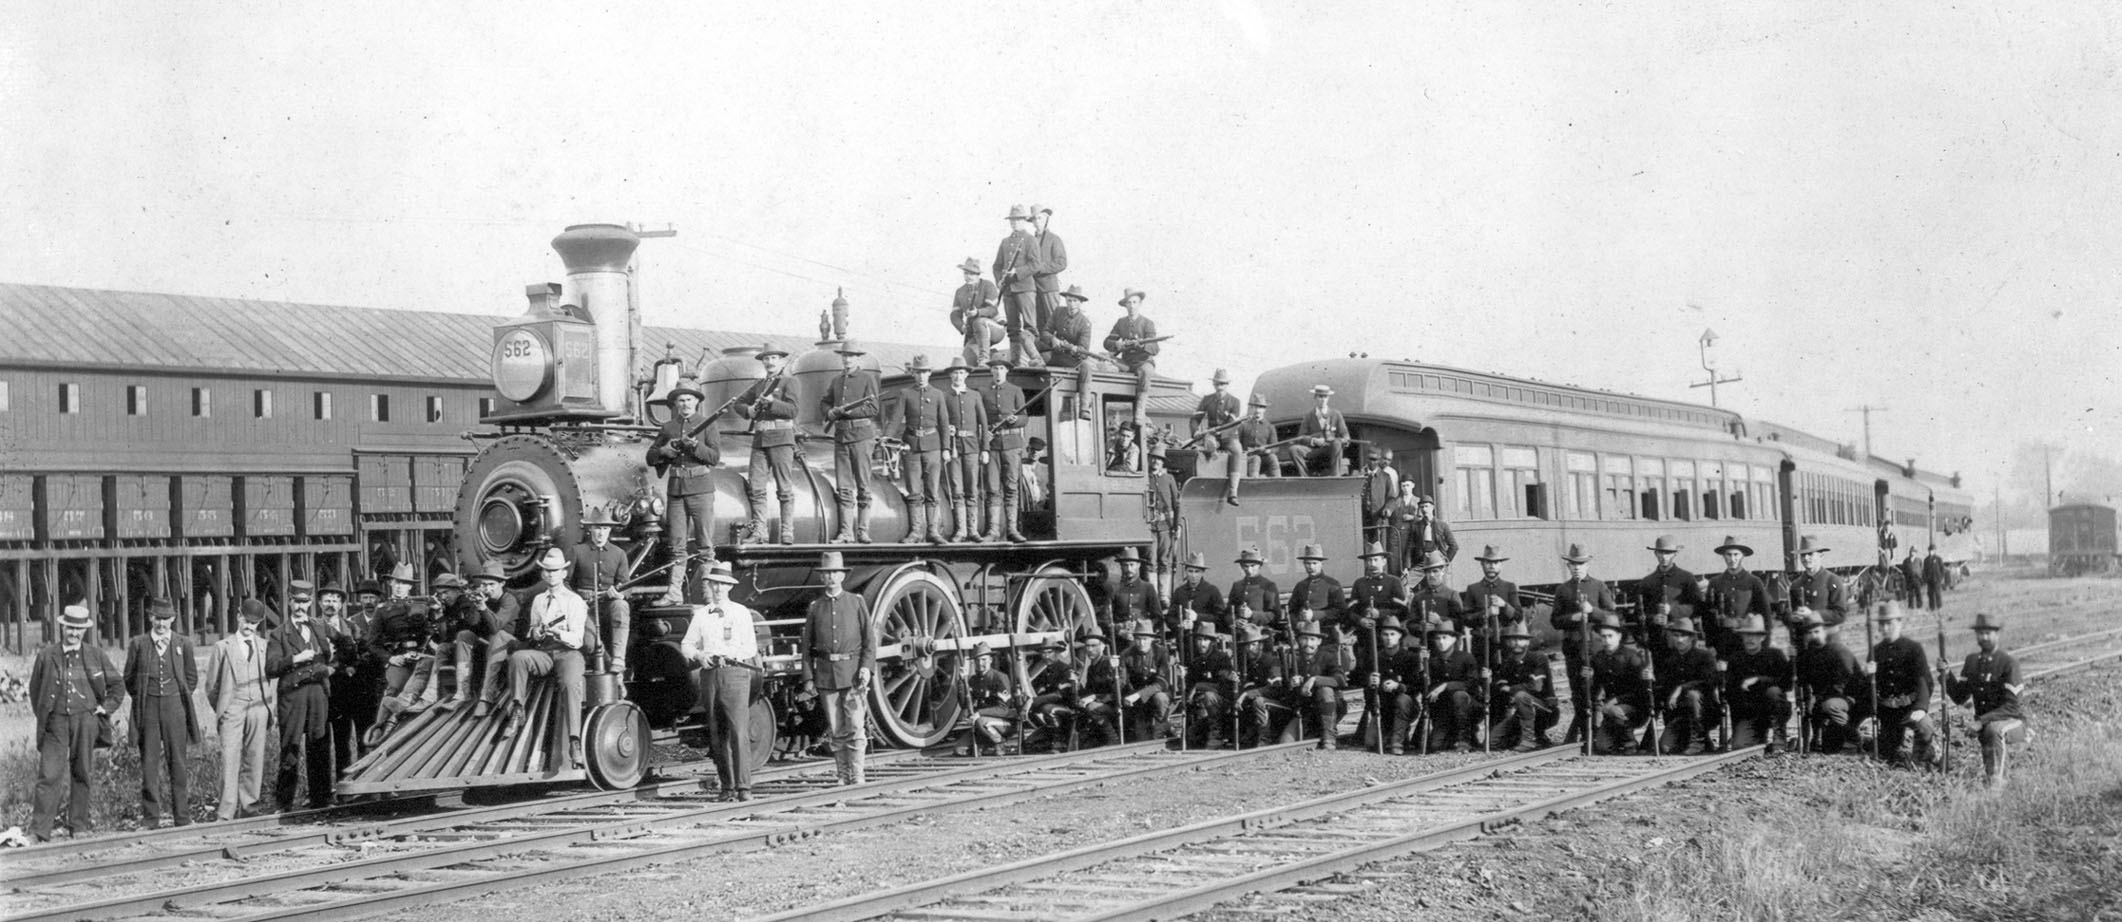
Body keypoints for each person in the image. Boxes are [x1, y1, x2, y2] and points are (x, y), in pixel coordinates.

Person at [28, 604, 121, 841]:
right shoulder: (47, 655)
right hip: (55, 724)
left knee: (82, 772)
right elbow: (35, 690)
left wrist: (105, 708)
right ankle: (40, 830)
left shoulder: (95, 655)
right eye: (70, 628)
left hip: (85, 721)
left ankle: (77, 826)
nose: (74, 633)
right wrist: (45, 716)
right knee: (49, 774)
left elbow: (117, 685)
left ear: (84, 630)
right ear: (63, 627)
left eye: (79, 629)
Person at [497, 548, 590, 767]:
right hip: (545, 651)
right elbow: (532, 630)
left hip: (569, 653)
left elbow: (578, 640)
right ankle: (517, 709)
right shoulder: (539, 600)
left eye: (555, 571)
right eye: (547, 571)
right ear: (542, 574)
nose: (550, 575)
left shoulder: (574, 601)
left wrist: (560, 633)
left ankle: (574, 741)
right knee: (518, 658)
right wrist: (535, 633)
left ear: (564, 573)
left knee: (570, 683)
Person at [680, 561, 763, 800]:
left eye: (722, 584)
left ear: (729, 587)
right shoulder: (701, 615)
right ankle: (727, 786)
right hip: (710, 675)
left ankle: (744, 787)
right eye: (714, 584)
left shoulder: (740, 613)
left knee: (738, 731)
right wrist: (699, 655)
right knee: (717, 733)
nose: (718, 589)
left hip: (735, 674)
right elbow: (687, 644)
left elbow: (750, 647)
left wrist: (730, 654)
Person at [267, 589, 346, 811]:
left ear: (311, 603)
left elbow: (347, 645)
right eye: (296, 602)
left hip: (318, 694)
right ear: (289, 602)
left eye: (305, 602)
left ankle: (320, 800)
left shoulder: (319, 626)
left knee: (319, 746)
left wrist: (332, 668)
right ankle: (284, 803)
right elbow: (271, 668)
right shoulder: (279, 633)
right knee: (290, 748)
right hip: (292, 696)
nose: (301, 607)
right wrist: (294, 658)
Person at [125, 598, 200, 828]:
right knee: (149, 763)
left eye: (166, 619)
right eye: (157, 618)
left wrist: (176, 695)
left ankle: (182, 816)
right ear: (150, 618)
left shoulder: (183, 643)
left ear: (173, 619)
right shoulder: (138, 643)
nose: (161, 624)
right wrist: (144, 696)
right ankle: (151, 818)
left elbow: (191, 677)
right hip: (148, 708)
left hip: (174, 707)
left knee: (177, 762)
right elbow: (129, 678)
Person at [804, 552, 875, 783]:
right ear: (822, 578)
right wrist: (808, 678)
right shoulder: (816, 607)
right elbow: (807, 647)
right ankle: (843, 776)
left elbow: (869, 641)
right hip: (826, 677)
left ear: (842, 576)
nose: (831, 577)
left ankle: (858, 775)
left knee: (855, 726)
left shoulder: (856, 602)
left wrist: (866, 668)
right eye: (826, 574)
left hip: (853, 674)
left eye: (835, 572)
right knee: (836, 729)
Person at [648, 376, 721, 600]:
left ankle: (709, 595)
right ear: (676, 404)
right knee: (677, 545)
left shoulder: (708, 424)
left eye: (689, 399)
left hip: (701, 489)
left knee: (705, 545)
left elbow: (714, 457)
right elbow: (651, 457)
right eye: (681, 400)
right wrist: (664, 451)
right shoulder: (669, 427)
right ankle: (674, 593)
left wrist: (696, 446)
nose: (685, 404)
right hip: (676, 491)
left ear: (696, 401)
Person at [207, 599, 275, 820]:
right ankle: (226, 812)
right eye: (246, 621)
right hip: (233, 709)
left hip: (259, 707)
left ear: (260, 623)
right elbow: (211, 686)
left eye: (254, 623)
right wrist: (224, 709)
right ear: (238, 616)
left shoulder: (264, 646)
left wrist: (267, 707)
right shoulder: (222, 647)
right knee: (230, 759)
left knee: (254, 759)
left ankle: (250, 809)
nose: (249, 626)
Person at [1944, 612, 2026, 789]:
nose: (1984, 637)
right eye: (1980, 633)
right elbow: (1960, 696)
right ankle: (1993, 783)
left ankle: (1998, 784)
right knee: (1990, 731)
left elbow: (2013, 706)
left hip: (2013, 722)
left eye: (1988, 633)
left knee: (1995, 729)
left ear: (1997, 634)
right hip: (1985, 726)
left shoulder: (2008, 663)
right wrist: (1946, 675)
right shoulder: (1972, 661)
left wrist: (1981, 721)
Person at [734, 343, 799, 546]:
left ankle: (787, 532)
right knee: (756, 488)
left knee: (784, 489)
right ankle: (760, 532)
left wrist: (771, 403)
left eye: (773, 358)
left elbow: (793, 411)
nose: (769, 362)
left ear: (779, 361)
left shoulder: (790, 382)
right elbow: (738, 404)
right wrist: (750, 411)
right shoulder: (759, 385)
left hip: (781, 438)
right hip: (760, 439)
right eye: (766, 359)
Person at [1551, 544, 1615, 745]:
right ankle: (1583, 732)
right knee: (1577, 693)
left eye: (1581, 564)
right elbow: (1555, 620)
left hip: (1595, 650)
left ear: (1588, 564)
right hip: (1573, 649)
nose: (1577, 568)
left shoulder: (1599, 586)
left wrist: (1592, 611)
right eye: (1573, 564)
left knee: (1594, 693)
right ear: (1568, 566)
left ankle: (1595, 732)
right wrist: (1575, 616)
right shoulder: (1563, 589)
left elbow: (1612, 616)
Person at [819, 343, 881, 543]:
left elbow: (873, 408)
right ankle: (846, 532)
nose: (848, 360)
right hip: (841, 437)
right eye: (845, 356)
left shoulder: (866, 379)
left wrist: (848, 411)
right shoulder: (837, 380)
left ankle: (862, 530)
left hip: (862, 437)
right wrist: (830, 412)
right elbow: (825, 401)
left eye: (852, 356)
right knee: (844, 487)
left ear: (858, 358)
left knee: (863, 486)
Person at [1864, 602, 1938, 766]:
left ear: (1899, 623)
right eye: (1882, 624)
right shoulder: (1875, 651)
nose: (1885, 628)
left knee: (1924, 727)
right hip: (1888, 713)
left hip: (1909, 708)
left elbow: (1925, 680)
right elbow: (1869, 688)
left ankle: (1920, 761)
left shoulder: (1913, 649)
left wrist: (1920, 707)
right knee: (1886, 751)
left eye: (1889, 623)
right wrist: (1868, 675)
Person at [1791, 608, 1862, 753]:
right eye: (1809, 633)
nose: (1813, 636)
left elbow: (1843, 683)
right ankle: (1826, 738)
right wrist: (1792, 659)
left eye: (1817, 632)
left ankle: (1853, 737)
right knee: (1829, 748)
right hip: (1826, 699)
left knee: (1831, 706)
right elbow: (1800, 678)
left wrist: (1818, 699)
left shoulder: (1838, 651)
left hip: (1851, 697)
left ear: (1825, 631)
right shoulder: (1807, 655)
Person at [571, 509, 633, 674]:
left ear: (610, 530)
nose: (601, 533)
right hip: (583, 607)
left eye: (605, 528)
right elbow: (566, 582)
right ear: (590, 529)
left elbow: (626, 585)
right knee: (590, 642)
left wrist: (620, 594)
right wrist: (577, 600)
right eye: (597, 528)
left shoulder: (618, 554)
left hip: (607, 604)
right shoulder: (577, 551)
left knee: (621, 605)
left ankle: (619, 659)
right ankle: (610, 665)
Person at [1584, 613, 1653, 756]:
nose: (1606, 640)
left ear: (1619, 636)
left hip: (1635, 708)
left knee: (1617, 711)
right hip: (1610, 710)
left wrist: (1615, 702)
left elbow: (1640, 691)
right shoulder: (1598, 659)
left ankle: (1630, 744)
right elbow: (1594, 690)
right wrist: (1587, 679)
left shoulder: (1632, 657)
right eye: (1603, 637)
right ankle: (1618, 741)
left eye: (1610, 636)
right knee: (1603, 747)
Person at [898, 355, 950, 545]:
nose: (921, 376)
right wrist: (886, 438)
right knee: (913, 492)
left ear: (929, 373)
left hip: (933, 447)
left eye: (925, 372)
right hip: (911, 447)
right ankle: (915, 532)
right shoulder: (905, 393)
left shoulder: (937, 395)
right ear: (913, 373)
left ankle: (933, 531)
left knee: (932, 491)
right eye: (918, 372)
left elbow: (944, 422)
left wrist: (946, 447)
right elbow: (895, 419)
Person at [1653, 617, 1721, 755]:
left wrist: (1681, 688)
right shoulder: (1669, 660)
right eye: (1676, 636)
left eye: (1683, 636)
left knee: (1693, 695)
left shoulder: (1705, 656)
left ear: (1691, 638)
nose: (1679, 640)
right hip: (1679, 715)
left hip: (1705, 712)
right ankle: (1697, 741)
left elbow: (1709, 682)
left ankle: (1699, 741)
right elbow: (1662, 687)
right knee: (1666, 748)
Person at [1723, 615, 1791, 751]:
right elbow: (1731, 695)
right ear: (1742, 637)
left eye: (1754, 635)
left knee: (1774, 692)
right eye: (1747, 635)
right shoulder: (1736, 659)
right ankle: (1758, 738)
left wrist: (1760, 680)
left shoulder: (1775, 655)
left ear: (1763, 637)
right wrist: (1737, 729)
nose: (1750, 639)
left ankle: (1780, 738)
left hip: (1773, 709)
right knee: (1739, 746)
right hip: (1748, 713)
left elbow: (1786, 684)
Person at [941, 357, 990, 543]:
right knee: (957, 489)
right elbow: (940, 422)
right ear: (950, 375)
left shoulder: (974, 396)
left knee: (972, 489)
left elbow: (983, 425)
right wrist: (945, 444)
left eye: (961, 372)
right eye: (954, 372)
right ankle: (960, 531)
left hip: (972, 447)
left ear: (967, 375)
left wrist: (985, 449)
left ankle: (973, 530)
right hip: (953, 448)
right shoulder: (944, 397)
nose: (958, 376)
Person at [1487, 622, 1557, 752]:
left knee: (1521, 696)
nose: (1517, 643)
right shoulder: (1508, 662)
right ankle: (1535, 737)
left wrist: (1511, 689)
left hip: (1545, 710)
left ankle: (1529, 740)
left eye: (1521, 639)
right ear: (1507, 643)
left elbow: (1536, 687)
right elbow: (1499, 685)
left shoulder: (1538, 658)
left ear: (1528, 642)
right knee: (1493, 742)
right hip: (1522, 713)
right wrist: (1490, 680)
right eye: (1512, 639)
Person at [981, 356, 1029, 543]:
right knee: (992, 488)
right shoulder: (984, 392)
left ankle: (1012, 529)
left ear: (1006, 371)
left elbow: (1024, 417)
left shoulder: (1016, 391)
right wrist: (985, 434)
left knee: (1011, 487)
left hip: (1012, 445)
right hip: (992, 445)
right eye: (995, 368)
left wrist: (1015, 420)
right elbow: (980, 419)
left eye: (1001, 368)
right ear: (991, 371)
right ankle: (993, 531)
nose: (998, 371)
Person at [1420, 616, 1484, 752]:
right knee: (1435, 746)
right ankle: (1451, 735)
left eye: (1445, 638)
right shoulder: (1431, 661)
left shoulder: (1466, 658)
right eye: (1438, 638)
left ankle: (1465, 739)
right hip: (1444, 710)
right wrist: (1421, 666)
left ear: (1454, 639)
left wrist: (1446, 686)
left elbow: (1471, 683)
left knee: (1459, 696)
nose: (1441, 642)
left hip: (1468, 706)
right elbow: (1424, 686)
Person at [1353, 612, 1415, 753]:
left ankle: (1397, 741)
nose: (1388, 638)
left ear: (1400, 636)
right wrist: (1370, 682)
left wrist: (1399, 686)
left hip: (1405, 705)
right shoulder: (1374, 658)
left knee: (1403, 700)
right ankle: (1390, 734)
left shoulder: (1410, 658)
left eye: (1392, 634)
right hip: (1382, 707)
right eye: (1385, 635)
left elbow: (1415, 686)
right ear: (1380, 637)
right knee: (1371, 743)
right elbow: (1364, 688)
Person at [1705, 536, 1773, 659]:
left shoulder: (1754, 582)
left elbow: (1766, 616)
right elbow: (1708, 618)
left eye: (1736, 554)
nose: (1732, 559)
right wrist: (1710, 645)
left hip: (1748, 644)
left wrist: (1764, 647)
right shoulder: (1715, 582)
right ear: (1723, 556)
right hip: (1723, 644)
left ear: (1743, 556)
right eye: (1728, 555)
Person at [992, 204, 1043, 366]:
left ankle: (1035, 358)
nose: (1014, 223)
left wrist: (1017, 272)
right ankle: (1015, 362)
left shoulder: (1030, 240)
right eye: (1012, 220)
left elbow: (1036, 264)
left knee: (1030, 327)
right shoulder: (1005, 242)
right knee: (1012, 328)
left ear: (1024, 221)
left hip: (1025, 289)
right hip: (1008, 291)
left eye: (1018, 220)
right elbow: (997, 266)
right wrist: (1000, 279)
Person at [1636, 536, 1705, 652]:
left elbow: (1698, 607)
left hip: (1683, 639)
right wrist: (1653, 618)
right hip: (1658, 641)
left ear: (1675, 554)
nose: (1664, 557)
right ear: (1655, 553)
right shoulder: (1647, 582)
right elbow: (1639, 613)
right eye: (1660, 552)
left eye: (1668, 553)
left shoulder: (1687, 578)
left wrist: (1672, 610)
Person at [1281, 622, 1344, 748]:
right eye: (1304, 639)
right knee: (1285, 742)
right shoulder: (1292, 660)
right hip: (1305, 711)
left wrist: (1315, 680)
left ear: (1319, 641)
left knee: (1325, 690)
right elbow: (1283, 690)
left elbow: (1340, 680)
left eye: (1312, 639)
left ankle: (1329, 735)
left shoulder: (1328, 657)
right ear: (1298, 640)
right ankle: (1314, 731)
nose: (1308, 643)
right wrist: (1291, 684)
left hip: (1328, 709)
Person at [1040, 284, 1098, 418]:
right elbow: (1045, 332)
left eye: (1075, 301)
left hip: (1071, 359)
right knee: (1037, 355)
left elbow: (1083, 350)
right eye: (1069, 300)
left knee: (1086, 367)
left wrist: (1073, 349)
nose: (1072, 304)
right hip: (1054, 354)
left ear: (1081, 303)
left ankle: (1084, 407)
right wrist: (1052, 339)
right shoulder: (1058, 312)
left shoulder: (1085, 323)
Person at [1189, 369, 1245, 505]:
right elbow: (1195, 419)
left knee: (1237, 451)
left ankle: (1233, 492)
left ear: (1227, 385)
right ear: (1214, 385)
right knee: (1208, 444)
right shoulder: (1207, 400)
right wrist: (1195, 431)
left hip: (1229, 436)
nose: (1220, 387)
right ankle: (1212, 454)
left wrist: (1220, 432)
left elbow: (1232, 423)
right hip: (1212, 436)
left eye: (1223, 384)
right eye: (1217, 384)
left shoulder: (1235, 401)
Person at [1232, 622, 1289, 748]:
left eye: (1253, 644)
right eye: (1246, 646)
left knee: (1258, 701)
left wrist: (1247, 694)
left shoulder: (1271, 661)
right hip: (1255, 709)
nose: (1250, 649)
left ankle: (1265, 739)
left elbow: (1275, 688)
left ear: (1261, 645)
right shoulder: (1245, 664)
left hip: (1277, 706)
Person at [1462, 545, 1523, 658]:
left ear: (1501, 565)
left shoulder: (1509, 587)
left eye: (1496, 563)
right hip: (1481, 644)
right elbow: (1466, 619)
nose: (1492, 566)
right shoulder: (1473, 589)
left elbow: (1519, 617)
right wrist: (1486, 613)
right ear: (1482, 564)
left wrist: (1504, 605)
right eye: (1488, 562)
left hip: (1505, 643)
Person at [1180, 622, 1233, 749]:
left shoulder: (1222, 659)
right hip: (1200, 707)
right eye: (1199, 639)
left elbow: (1223, 687)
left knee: (1209, 696)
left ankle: (1217, 734)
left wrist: (1200, 686)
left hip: (1220, 704)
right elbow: (1189, 689)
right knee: (1192, 737)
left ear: (1212, 642)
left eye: (1205, 640)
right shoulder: (1196, 662)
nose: (1201, 643)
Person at [1786, 536, 1851, 639]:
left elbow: (1840, 615)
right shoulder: (1796, 585)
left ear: (1821, 556)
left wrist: (1813, 614)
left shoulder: (1833, 581)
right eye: (1803, 555)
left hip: (1828, 641)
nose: (1806, 558)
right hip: (1805, 643)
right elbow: (1793, 615)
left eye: (1810, 554)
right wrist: (1792, 617)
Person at [1118, 620, 1173, 739]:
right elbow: (1122, 682)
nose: (1141, 643)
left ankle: (1162, 726)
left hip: (1157, 694)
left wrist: (1139, 694)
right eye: (1138, 639)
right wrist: (1114, 673)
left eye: (1145, 639)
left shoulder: (1161, 652)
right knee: (1141, 738)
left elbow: (1162, 682)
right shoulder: (1126, 654)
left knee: (1160, 698)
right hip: (1138, 702)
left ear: (1151, 639)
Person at [1024, 638, 1079, 753]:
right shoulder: (1045, 672)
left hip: (1068, 709)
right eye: (1043, 653)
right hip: (1053, 715)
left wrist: (1034, 701)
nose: (1046, 656)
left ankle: (1060, 741)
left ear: (1057, 653)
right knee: (1028, 744)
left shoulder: (1065, 670)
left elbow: (1059, 695)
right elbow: (1039, 690)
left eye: (1049, 652)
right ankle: (1050, 739)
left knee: (1048, 709)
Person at [1102, 288, 1160, 396]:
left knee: (1145, 373)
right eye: (1129, 303)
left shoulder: (1147, 323)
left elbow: (1155, 348)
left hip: (1143, 363)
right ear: (1125, 305)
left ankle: (1139, 411)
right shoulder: (1121, 323)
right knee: (1104, 365)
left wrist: (1143, 345)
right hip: (1126, 363)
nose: (1132, 306)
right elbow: (1107, 343)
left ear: (1140, 304)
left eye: (1134, 302)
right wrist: (1117, 344)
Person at [962, 643, 1017, 755]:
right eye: (977, 661)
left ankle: (1000, 742)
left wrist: (979, 713)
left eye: (983, 660)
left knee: (981, 721)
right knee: (960, 750)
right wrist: (961, 681)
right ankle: (988, 742)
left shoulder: (999, 678)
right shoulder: (974, 680)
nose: (980, 663)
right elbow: (964, 704)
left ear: (990, 660)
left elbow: (1003, 709)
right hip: (982, 723)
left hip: (1004, 723)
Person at [948, 257, 1003, 367]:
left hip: (994, 328)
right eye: (966, 273)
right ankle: (990, 355)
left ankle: (985, 358)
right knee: (966, 359)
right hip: (975, 334)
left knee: (979, 322)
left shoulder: (987, 285)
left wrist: (977, 312)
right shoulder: (960, 291)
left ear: (978, 275)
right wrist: (962, 327)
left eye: (972, 274)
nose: (968, 276)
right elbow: (954, 315)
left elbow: (992, 310)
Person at [1286, 385, 1348, 477]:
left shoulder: (1336, 414)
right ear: (1315, 397)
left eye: (1325, 397)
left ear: (1328, 398)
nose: (1323, 399)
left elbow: (1346, 436)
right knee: (1293, 449)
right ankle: (1305, 478)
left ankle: (1336, 476)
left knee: (1337, 443)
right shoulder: (1309, 416)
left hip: (1330, 450)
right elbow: (1300, 437)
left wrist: (1339, 440)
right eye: (1320, 396)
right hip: (1313, 450)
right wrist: (1314, 441)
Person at [1074, 633, 1123, 747]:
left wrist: (1095, 697)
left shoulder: (1109, 664)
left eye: (1094, 645)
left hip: (1112, 705)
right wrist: (1076, 685)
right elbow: (1090, 690)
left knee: (1092, 707)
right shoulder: (1092, 667)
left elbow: (1116, 692)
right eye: (1087, 646)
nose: (1090, 649)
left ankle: (1113, 738)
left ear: (1103, 646)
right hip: (1102, 705)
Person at [1146, 446, 1182, 596]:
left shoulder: (1168, 479)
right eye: (1153, 458)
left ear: (1162, 463)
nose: (1156, 461)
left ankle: (1164, 595)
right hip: (1149, 527)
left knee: (1165, 561)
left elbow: (1177, 503)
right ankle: (1153, 596)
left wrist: (1177, 525)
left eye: (1159, 459)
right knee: (1151, 561)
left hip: (1166, 526)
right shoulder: (1145, 478)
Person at [1105, 548, 1162, 640]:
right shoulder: (1114, 589)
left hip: (1143, 639)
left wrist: (1143, 627)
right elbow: (1105, 619)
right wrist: (1119, 630)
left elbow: (1158, 617)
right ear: (1121, 567)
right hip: (1120, 641)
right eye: (1125, 565)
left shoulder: (1148, 588)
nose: (1129, 569)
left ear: (1138, 565)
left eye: (1132, 565)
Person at [1167, 552, 1228, 637]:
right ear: (1186, 572)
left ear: (1203, 573)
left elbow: (1220, 618)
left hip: (1205, 640)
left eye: (1197, 572)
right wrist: (1180, 625)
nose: (1193, 575)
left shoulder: (1212, 591)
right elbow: (1170, 617)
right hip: (1184, 640)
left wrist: (1197, 617)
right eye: (1190, 571)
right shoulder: (1179, 592)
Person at [1030, 204, 1069, 333]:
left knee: (1054, 322)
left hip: (1049, 288)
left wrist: (1041, 267)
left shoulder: (1054, 239)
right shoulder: (1030, 241)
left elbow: (1061, 262)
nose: (1037, 222)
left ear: (1046, 219)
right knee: (1038, 324)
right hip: (1033, 289)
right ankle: (1043, 353)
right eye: (1034, 219)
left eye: (1039, 218)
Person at [1404, 551, 1465, 633]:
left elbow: (1460, 623)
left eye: (1435, 571)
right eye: (1428, 572)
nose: (1431, 575)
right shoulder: (1418, 597)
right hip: (1426, 642)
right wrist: (1421, 627)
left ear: (1443, 571)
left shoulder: (1452, 595)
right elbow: (1410, 624)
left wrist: (1440, 620)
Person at [1227, 548, 1284, 633]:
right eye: (1245, 566)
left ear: (1260, 566)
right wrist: (1234, 621)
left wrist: (1252, 615)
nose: (1249, 570)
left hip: (1260, 633)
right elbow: (1227, 613)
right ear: (1241, 567)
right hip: (1239, 633)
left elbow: (1275, 615)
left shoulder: (1268, 586)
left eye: (1253, 566)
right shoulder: (1237, 586)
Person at [1405, 495, 1458, 571]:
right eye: (1422, 507)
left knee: (1435, 581)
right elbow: (1410, 547)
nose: (1424, 509)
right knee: (1406, 582)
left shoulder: (1442, 525)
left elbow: (1454, 546)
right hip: (1420, 563)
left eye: (1426, 506)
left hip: (1437, 563)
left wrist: (1445, 562)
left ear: (1432, 507)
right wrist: (1407, 567)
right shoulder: (1416, 526)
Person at [1236, 395, 1279, 478]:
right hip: (1248, 458)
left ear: (1264, 409)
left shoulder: (1270, 427)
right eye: (1255, 407)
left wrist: (1268, 450)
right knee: (1256, 459)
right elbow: (1237, 443)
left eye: (1260, 408)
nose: (1257, 410)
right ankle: (1254, 481)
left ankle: (1279, 482)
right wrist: (1243, 452)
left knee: (1273, 458)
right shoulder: (1243, 426)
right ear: (1251, 408)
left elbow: (1276, 447)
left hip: (1264, 458)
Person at [1361, 449, 1398, 541]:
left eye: (1375, 459)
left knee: (1378, 549)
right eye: (1370, 459)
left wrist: (1388, 509)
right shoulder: (1359, 475)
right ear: (1366, 459)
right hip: (1361, 519)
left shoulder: (1385, 477)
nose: (1373, 462)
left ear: (1379, 460)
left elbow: (1392, 498)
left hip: (1379, 520)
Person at [1922, 545, 1949, 611]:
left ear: (1935, 551)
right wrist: (1925, 578)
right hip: (1929, 580)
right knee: (1930, 594)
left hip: (1937, 579)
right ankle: (1932, 607)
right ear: (1928, 551)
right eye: (1930, 550)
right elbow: (1924, 570)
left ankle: (1939, 606)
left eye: (1932, 550)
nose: (1931, 552)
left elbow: (1942, 569)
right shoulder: (1926, 560)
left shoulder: (1938, 559)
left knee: (1937, 593)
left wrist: (1941, 578)